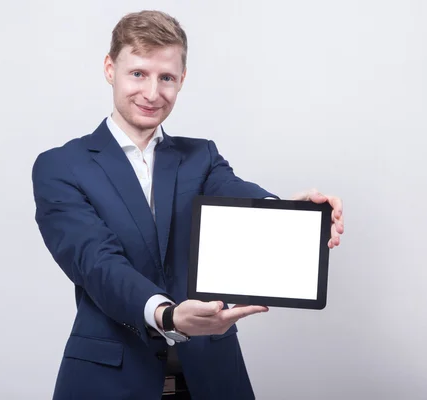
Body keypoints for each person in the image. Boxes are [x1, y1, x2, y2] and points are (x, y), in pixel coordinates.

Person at [32, 10, 344, 400]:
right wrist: (166, 313)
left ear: (182, 80)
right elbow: (96, 262)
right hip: (110, 382)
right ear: (110, 69)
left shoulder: (200, 157)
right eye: (138, 74)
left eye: (166, 78)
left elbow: (236, 194)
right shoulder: (61, 166)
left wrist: (291, 214)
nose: (151, 93)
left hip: (213, 380)